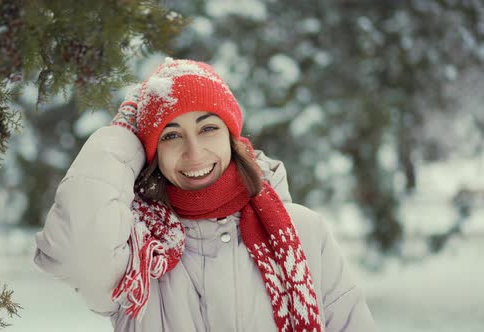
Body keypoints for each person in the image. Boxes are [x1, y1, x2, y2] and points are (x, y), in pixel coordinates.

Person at [33, 58, 376, 331]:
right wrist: (122, 135)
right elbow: (75, 253)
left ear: (230, 136)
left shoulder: (304, 232)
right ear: (149, 152)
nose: (194, 153)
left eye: (208, 128)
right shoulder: (137, 253)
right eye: (170, 136)